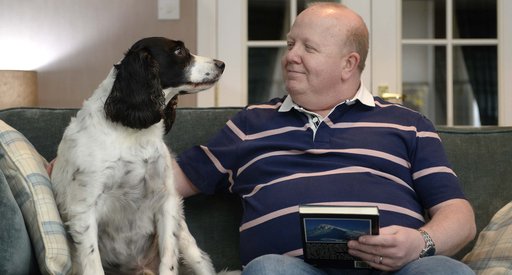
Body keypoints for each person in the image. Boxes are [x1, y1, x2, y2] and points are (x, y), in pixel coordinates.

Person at [47, 3, 475, 274]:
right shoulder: (252, 122)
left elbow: (459, 215)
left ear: (349, 64)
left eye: (307, 48)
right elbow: (153, 182)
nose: (290, 56)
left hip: (399, 270)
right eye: (290, 43)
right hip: (289, 270)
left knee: (446, 273)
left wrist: (422, 243)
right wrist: (61, 169)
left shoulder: (407, 122)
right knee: (268, 270)